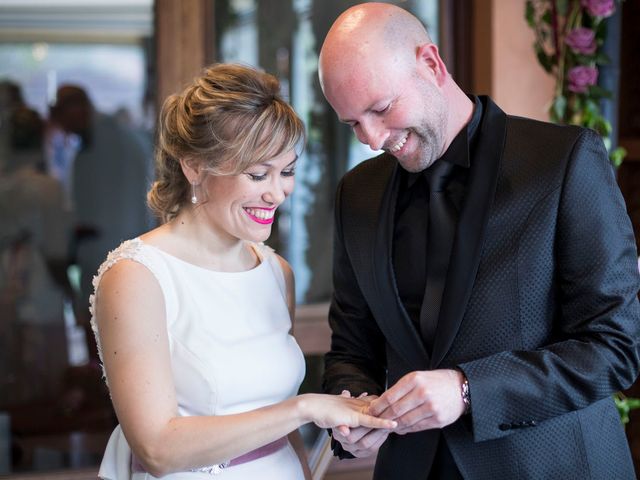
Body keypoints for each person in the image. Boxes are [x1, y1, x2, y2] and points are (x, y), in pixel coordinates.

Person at [318, 3, 640, 479]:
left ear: (431, 63)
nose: (371, 138)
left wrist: (470, 389)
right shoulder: (357, 194)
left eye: (381, 108)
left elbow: (614, 347)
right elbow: (351, 349)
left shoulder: (564, 161)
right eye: (352, 123)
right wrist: (351, 409)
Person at [91, 63, 395, 480]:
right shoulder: (137, 277)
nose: (277, 193)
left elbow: (280, 432)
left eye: (286, 171)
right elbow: (158, 448)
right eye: (257, 174)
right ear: (194, 166)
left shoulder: (275, 272)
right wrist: (304, 408)